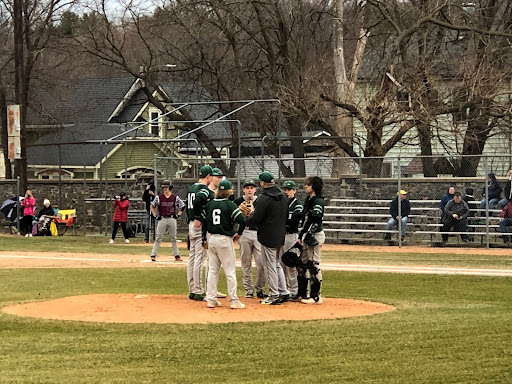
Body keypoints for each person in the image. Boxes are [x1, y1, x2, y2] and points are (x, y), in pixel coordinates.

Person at [246, 171, 289, 305]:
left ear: (262, 183)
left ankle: (273, 294)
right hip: (280, 233)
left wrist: (246, 218)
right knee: (276, 264)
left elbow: (256, 219)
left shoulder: (263, 198)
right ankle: (284, 291)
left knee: (269, 265)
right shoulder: (283, 195)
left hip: (267, 235)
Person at [204, 179, 247, 309]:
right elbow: (242, 220)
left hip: (211, 239)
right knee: (230, 271)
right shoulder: (230, 204)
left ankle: (211, 299)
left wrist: (203, 240)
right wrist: (238, 233)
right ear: (229, 191)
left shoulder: (209, 204)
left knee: (212, 271)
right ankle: (234, 300)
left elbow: (204, 222)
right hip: (224, 240)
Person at [233, 179, 266, 298]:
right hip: (244, 232)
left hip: (258, 233)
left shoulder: (260, 201)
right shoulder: (238, 201)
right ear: (243, 190)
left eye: (251, 188)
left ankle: (260, 289)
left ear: (255, 190)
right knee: (245, 263)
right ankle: (248, 290)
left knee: (261, 263)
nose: (249, 190)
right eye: (247, 188)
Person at [186, 165, 213, 301]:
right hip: (198, 224)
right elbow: (198, 202)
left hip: (191, 223)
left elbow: (187, 205)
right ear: (208, 176)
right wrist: (198, 217)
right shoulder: (203, 189)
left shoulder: (192, 187)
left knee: (192, 256)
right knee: (199, 256)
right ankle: (197, 289)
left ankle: (192, 288)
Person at [298, 176, 326, 304]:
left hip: (315, 235)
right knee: (303, 263)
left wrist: (308, 235)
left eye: (308, 185)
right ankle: (303, 293)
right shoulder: (308, 200)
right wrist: (301, 235)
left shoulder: (318, 201)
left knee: (313, 264)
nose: (305, 187)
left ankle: (316, 296)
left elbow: (316, 220)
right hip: (306, 234)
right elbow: (306, 220)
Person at [278, 180, 303, 301]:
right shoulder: (281, 204)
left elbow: (294, 221)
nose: (287, 192)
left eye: (289, 189)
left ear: (294, 191)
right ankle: (284, 289)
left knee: (290, 264)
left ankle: (294, 290)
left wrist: (280, 223)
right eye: (285, 190)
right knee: (281, 263)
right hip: (281, 235)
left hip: (290, 235)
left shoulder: (297, 204)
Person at [150, 180, 185, 262]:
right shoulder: (159, 197)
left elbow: (182, 206)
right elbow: (152, 206)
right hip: (162, 218)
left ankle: (176, 255)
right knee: (158, 237)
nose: (165, 189)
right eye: (164, 187)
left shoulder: (175, 197)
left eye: (167, 187)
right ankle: (153, 254)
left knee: (173, 237)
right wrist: (155, 215)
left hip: (172, 218)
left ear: (170, 188)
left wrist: (178, 214)